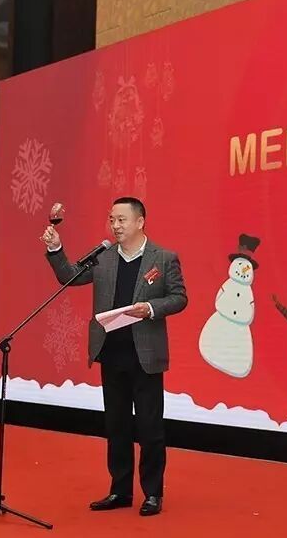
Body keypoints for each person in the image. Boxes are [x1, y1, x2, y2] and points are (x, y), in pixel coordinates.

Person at [42, 197, 187, 516]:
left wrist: (151, 308)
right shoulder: (103, 258)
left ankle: (152, 493)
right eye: (112, 220)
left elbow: (179, 298)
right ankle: (120, 490)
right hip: (111, 352)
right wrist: (55, 249)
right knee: (117, 426)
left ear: (140, 221)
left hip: (145, 356)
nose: (115, 226)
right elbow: (69, 276)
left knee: (149, 428)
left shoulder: (163, 258)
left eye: (122, 220)